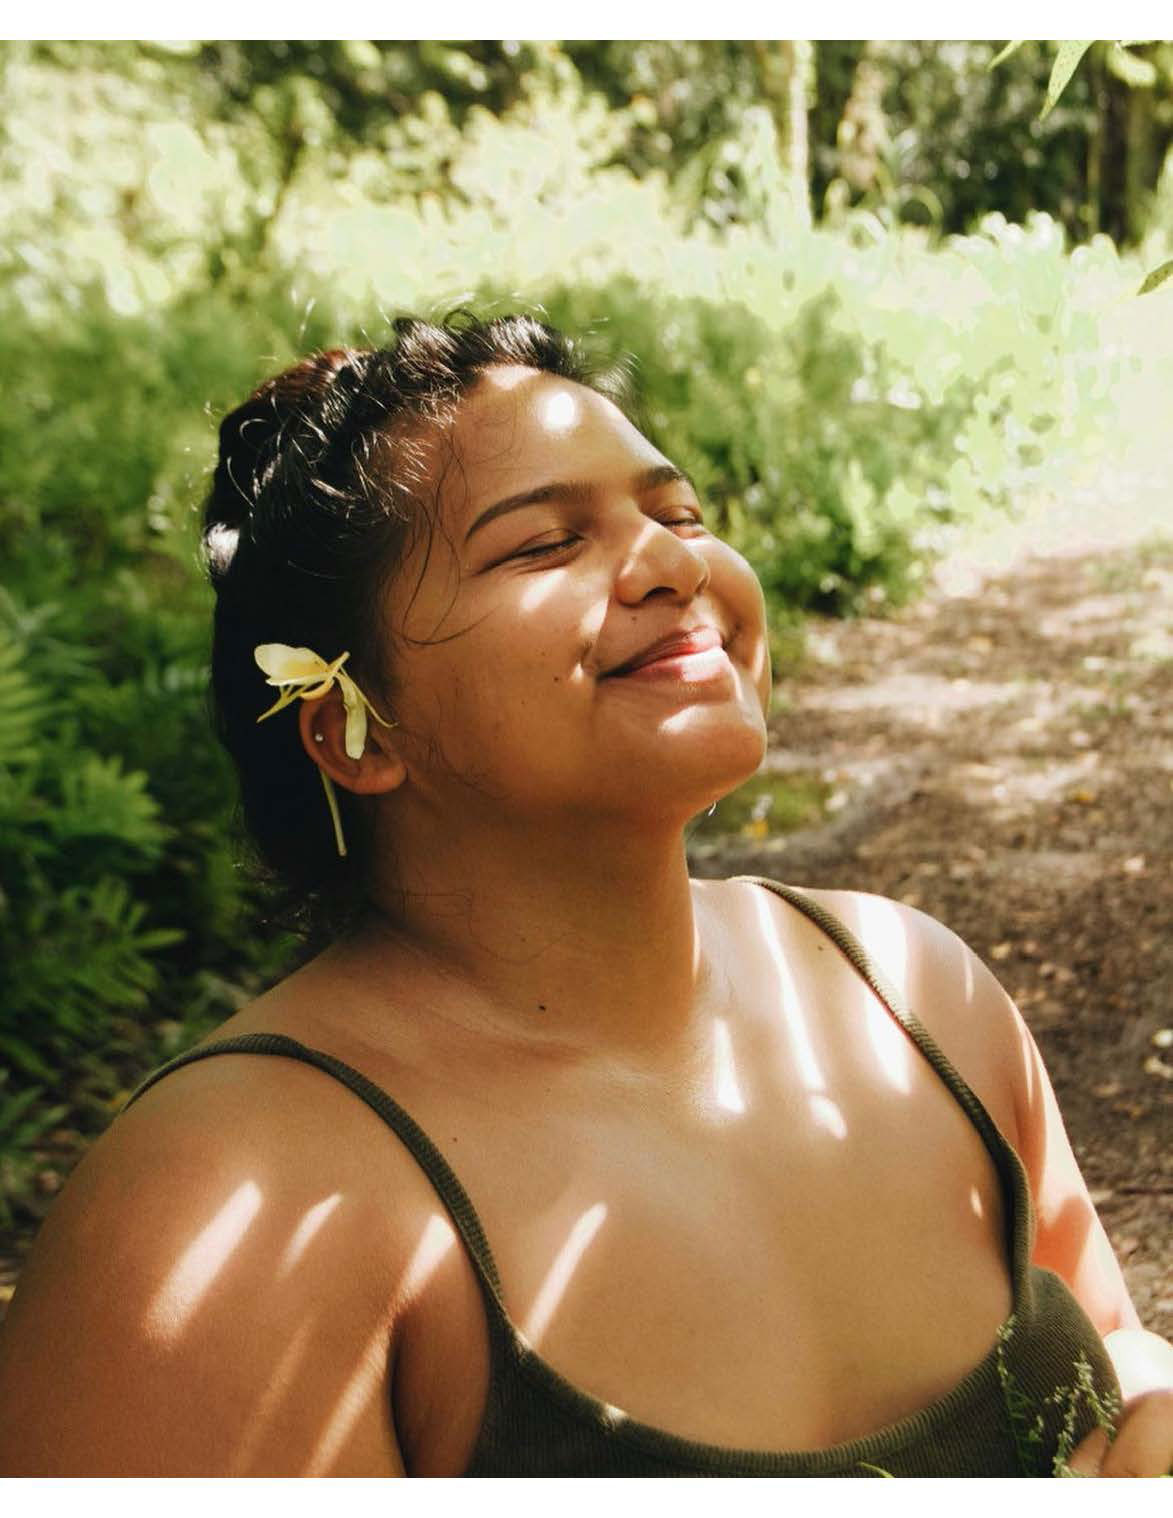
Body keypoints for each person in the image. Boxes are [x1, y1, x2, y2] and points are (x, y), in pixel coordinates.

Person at [0, 312, 1169, 1477]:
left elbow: (1113, 1355)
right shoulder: (223, 1214)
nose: (677, 565)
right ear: (357, 734)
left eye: (680, 515)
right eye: (543, 545)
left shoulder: (916, 995)